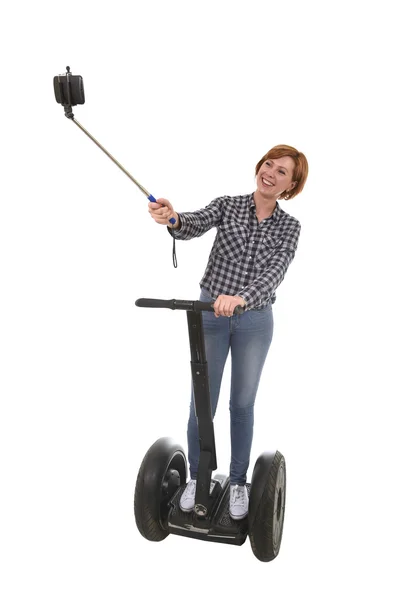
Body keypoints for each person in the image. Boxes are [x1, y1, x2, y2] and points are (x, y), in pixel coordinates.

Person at [148, 144, 308, 520]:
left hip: (254, 321)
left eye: (282, 171)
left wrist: (240, 298)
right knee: (201, 401)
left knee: (242, 404)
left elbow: (275, 272)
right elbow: (194, 223)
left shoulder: (290, 227)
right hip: (210, 315)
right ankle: (195, 477)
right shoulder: (229, 205)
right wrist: (172, 218)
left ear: (291, 185)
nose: (271, 172)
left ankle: (237, 482)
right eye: (269, 164)